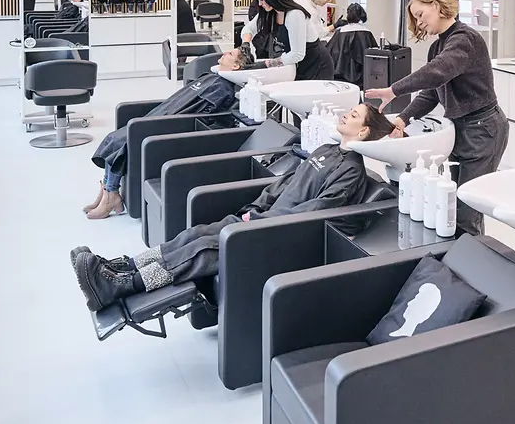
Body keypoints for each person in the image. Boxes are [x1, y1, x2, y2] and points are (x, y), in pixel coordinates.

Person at [70, 103, 396, 312]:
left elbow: (320, 209)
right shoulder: (324, 148)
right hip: (261, 219)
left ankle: (121, 286)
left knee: (203, 249)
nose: (345, 114)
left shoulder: (352, 169)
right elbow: (283, 185)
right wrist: (253, 209)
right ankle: (120, 266)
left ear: (364, 131)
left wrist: (262, 221)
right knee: (194, 234)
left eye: (353, 115)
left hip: (280, 233)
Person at [365, 0, 508, 237]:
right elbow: (431, 91)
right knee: (452, 205)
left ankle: (467, 267)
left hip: (483, 130)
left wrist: (394, 90)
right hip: (460, 130)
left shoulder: (465, 39)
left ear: (436, 4)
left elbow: (437, 71)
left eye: (421, 15)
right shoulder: (438, 47)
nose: (419, 24)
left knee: (467, 210)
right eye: (416, 19)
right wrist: (402, 118)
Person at [83, 46, 255, 220]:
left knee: (121, 139)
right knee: (116, 136)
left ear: (236, 67)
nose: (225, 53)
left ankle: (111, 194)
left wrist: (162, 120)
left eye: (231, 54)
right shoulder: (212, 77)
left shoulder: (222, 88)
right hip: (162, 116)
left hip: (169, 125)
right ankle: (107, 189)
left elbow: (198, 114)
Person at [238, 0, 336, 81]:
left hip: (316, 65)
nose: (259, 4)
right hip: (297, 65)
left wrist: (267, 64)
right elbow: (248, 29)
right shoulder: (269, 12)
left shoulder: (294, 15)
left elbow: (297, 54)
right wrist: (246, 44)